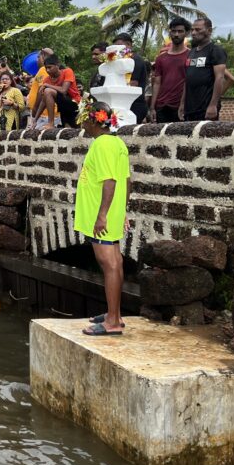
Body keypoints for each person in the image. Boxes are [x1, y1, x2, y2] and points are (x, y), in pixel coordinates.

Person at [74, 99, 130, 336]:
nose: (83, 124)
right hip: (111, 212)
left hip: (102, 215)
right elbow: (127, 180)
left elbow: (110, 181)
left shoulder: (102, 145)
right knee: (116, 262)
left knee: (109, 265)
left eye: (84, 119)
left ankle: (113, 323)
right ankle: (113, 313)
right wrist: (123, 210)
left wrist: (103, 215)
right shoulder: (117, 143)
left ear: (93, 120)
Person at [180, 16, 228, 121]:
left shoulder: (216, 51)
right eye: (192, 30)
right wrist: (182, 104)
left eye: (198, 29)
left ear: (209, 30)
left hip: (206, 109)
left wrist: (213, 105)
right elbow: (187, 80)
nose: (193, 33)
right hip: (190, 109)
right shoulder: (191, 52)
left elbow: (219, 78)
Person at [148, 18, 190, 123]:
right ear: (170, 33)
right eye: (173, 31)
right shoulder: (161, 58)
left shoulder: (191, 55)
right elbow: (157, 83)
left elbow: (189, 81)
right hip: (161, 106)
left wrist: (183, 104)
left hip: (180, 107)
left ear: (186, 33)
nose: (176, 34)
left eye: (180, 31)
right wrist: (153, 107)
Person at [32, 55, 81, 129]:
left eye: (50, 67)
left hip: (74, 104)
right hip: (62, 108)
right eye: (46, 68)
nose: (47, 70)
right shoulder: (47, 80)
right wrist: (35, 120)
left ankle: (51, 123)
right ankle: (51, 124)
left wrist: (47, 85)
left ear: (57, 65)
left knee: (48, 91)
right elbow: (43, 101)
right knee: (69, 129)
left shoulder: (67, 71)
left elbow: (63, 90)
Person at [112, 33, 149, 124]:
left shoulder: (135, 60)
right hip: (124, 104)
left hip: (135, 104)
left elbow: (133, 84)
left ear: (129, 45)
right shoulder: (121, 61)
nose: (117, 49)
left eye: (119, 46)